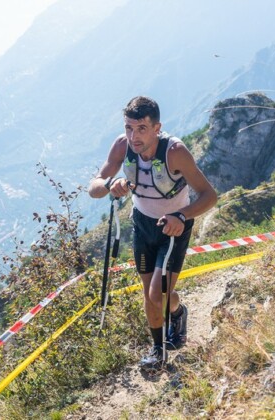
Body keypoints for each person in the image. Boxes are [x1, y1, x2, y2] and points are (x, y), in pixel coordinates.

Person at [88, 96, 217, 368]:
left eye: (141, 129)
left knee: (157, 293)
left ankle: (174, 318)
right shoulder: (122, 146)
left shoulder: (175, 152)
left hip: (173, 227)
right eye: (128, 128)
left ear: (157, 128)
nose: (133, 136)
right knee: (150, 292)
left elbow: (209, 195)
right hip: (142, 224)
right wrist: (111, 184)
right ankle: (161, 343)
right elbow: (94, 187)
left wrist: (182, 216)